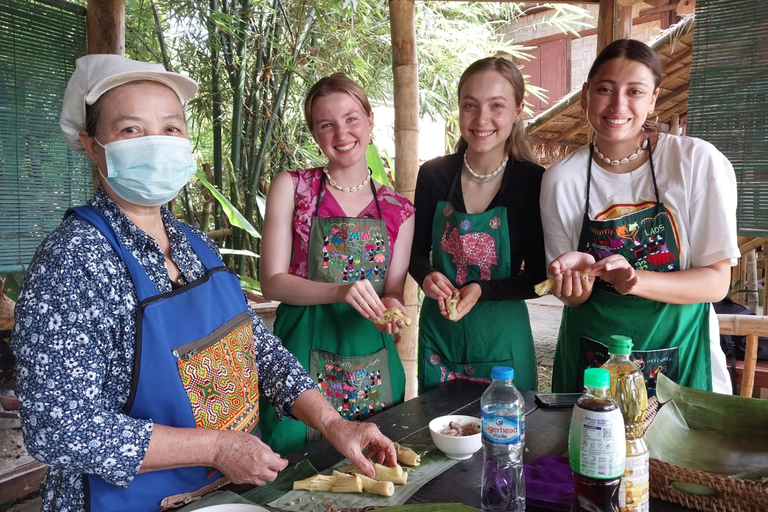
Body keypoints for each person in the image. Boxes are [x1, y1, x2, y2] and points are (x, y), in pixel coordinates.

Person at [10, 55, 396, 512]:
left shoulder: (193, 243)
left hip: (219, 495)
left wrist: (335, 424)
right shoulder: (73, 259)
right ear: (92, 146)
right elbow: (59, 428)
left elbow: (254, 347)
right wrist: (216, 448)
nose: (157, 143)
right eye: (132, 130)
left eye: (171, 128)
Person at [540, 39, 739, 395]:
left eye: (635, 91)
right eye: (605, 89)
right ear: (585, 95)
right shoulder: (561, 179)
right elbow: (571, 298)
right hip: (592, 362)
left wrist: (634, 280)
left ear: (653, 99)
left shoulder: (695, 162)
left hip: (683, 357)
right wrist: (574, 283)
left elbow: (715, 283)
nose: (618, 104)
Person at [258, 73, 415, 454]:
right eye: (326, 124)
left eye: (351, 119)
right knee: (293, 475)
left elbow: (392, 291)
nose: (341, 133)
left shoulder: (399, 209)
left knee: (374, 473)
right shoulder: (292, 187)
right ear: (315, 133)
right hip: (299, 359)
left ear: (370, 121)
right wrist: (340, 291)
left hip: (373, 366)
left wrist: (392, 308)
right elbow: (272, 283)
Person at [408, 55, 547, 394]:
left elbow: (540, 278)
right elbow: (412, 253)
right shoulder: (434, 174)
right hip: (441, 336)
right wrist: (427, 276)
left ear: (517, 112)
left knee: (508, 438)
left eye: (496, 106)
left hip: (503, 339)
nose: (482, 118)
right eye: (470, 105)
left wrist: (483, 289)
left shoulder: (532, 181)